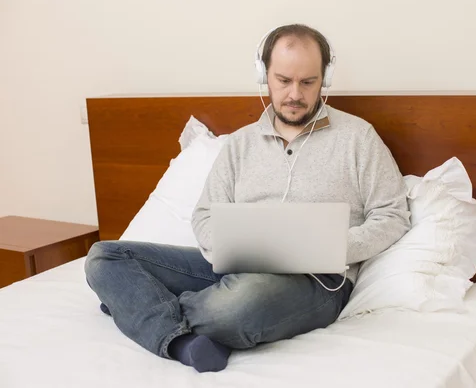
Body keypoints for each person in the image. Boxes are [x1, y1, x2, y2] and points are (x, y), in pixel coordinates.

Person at [84, 23, 411, 373]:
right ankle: (177, 336)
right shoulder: (240, 144)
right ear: (264, 76)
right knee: (105, 257)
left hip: (316, 281)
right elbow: (205, 214)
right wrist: (227, 249)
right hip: (234, 267)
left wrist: (332, 245)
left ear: (325, 79)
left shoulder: (358, 138)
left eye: (308, 82)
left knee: (232, 308)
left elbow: (393, 216)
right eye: (283, 80)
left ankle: (137, 307)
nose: (294, 95)